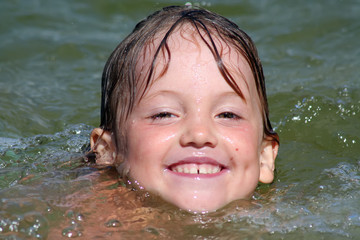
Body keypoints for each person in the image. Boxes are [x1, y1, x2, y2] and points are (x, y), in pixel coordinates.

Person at [88, 5, 279, 213]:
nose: (199, 134)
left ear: (264, 156)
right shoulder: (93, 221)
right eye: (164, 114)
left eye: (227, 114)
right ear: (108, 150)